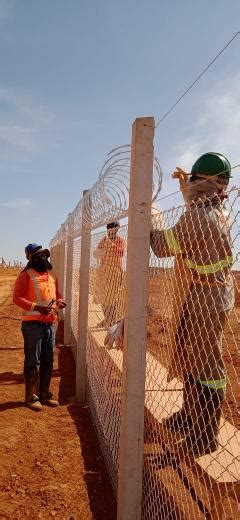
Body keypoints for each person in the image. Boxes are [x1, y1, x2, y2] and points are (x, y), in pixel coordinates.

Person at [105, 152, 235, 457]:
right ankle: (189, 416)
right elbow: (194, 203)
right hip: (207, 292)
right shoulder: (215, 207)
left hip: (207, 298)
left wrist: (148, 218)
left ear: (205, 183)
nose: (189, 186)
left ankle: (205, 435)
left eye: (193, 180)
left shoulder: (199, 216)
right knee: (193, 356)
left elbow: (163, 246)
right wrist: (181, 187)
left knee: (206, 365)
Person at [13, 243, 66, 411]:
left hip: (50, 324)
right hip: (32, 326)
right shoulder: (26, 276)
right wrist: (37, 307)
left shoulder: (52, 276)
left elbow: (57, 295)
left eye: (44, 255)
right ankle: (30, 396)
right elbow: (17, 298)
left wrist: (59, 302)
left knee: (48, 360)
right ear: (31, 259)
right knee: (32, 361)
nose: (43, 258)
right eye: (38, 256)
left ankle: (44, 393)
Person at [94, 221, 125, 326]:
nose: (110, 232)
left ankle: (112, 321)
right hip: (103, 273)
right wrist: (103, 249)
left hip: (115, 273)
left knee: (112, 298)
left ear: (117, 230)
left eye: (113, 230)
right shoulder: (103, 240)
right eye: (109, 230)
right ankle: (107, 319)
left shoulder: (120, 241)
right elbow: (96, 254)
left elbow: (121, 253)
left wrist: (110, 246)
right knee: (103, 297)